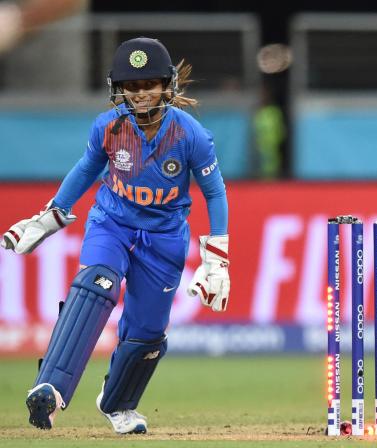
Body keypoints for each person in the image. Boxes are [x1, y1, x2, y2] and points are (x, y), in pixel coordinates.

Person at [2, 37, 230, 434]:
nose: (140, 94)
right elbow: (86, 169)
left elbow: (214, 192)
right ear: (118, 88)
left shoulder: (191, 135)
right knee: (96, 284)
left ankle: (119, 404)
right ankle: (50, 389)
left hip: (164, 238)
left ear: (167, 85)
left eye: (149, 85)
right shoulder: (109, 127)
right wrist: (49, 217)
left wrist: (217, 260)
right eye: (132, 86)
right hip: (112, 223)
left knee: (147, 333)